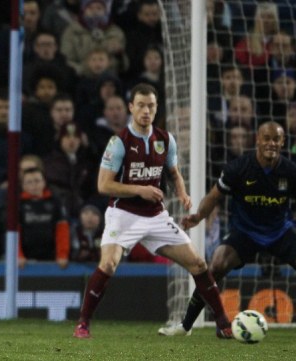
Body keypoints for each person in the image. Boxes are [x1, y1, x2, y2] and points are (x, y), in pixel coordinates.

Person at [73, 83, 232, 339]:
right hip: (122, 213)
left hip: (156, 216)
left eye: (151, 106)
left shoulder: (165, 140)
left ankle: (224, 323)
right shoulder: (119, 142)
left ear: (156, 108)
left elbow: (174, 174)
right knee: (109, 264)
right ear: (131, 108)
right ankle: (83, 323)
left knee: (199, 263)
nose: (146, 111)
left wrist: (182, 193)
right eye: (141, 106)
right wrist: (140, 190)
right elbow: (103, 185)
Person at [161, 121, 296, 337]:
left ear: (283, 142)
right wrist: (198, 216)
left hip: (280, 231)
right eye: (266, 138)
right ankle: (186, 325)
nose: (271, 143)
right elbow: (214, 196)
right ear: (257, 140)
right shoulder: (239, 168)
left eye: (276, 139)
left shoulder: (290, 171)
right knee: (216, 266)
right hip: (245, 231)